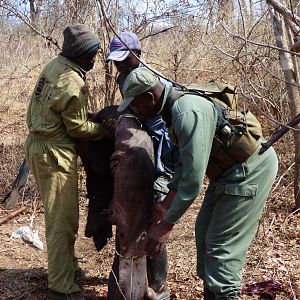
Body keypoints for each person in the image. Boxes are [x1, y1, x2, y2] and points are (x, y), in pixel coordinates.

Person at [116, 67, 279, 299]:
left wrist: (165, 226)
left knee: (221, 250)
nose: (136, 111)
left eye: (136, 105)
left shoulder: (186, 112)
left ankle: (225, 293)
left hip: (249, 170)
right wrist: (166, 204)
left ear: (150, 97)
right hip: (225, 173)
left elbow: (193, 181)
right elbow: (185, 162)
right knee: (204, 236)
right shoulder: (172, 108)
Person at [25, 24, 112, 300]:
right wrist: (103, 130)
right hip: (54, 154)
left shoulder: (54, 65)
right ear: (80, 54)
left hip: (38, 145)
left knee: (59, 215)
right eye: (92, 54)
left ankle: (66, 267)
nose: (94, 60)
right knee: (62, 221)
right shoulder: (74, 83)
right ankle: (61, 289)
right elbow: (76, 129)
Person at [106, 31, 179, 299]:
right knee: (129, 214)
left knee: (155, 213)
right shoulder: (122, 79)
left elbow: (164, 130)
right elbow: (130, 114)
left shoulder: (153, 80)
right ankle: (128, 279)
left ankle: (158, 286)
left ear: (138, 54)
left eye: (125, 60)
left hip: (162, 149)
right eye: (117, 62)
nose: (121, 65)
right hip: (138, 147)